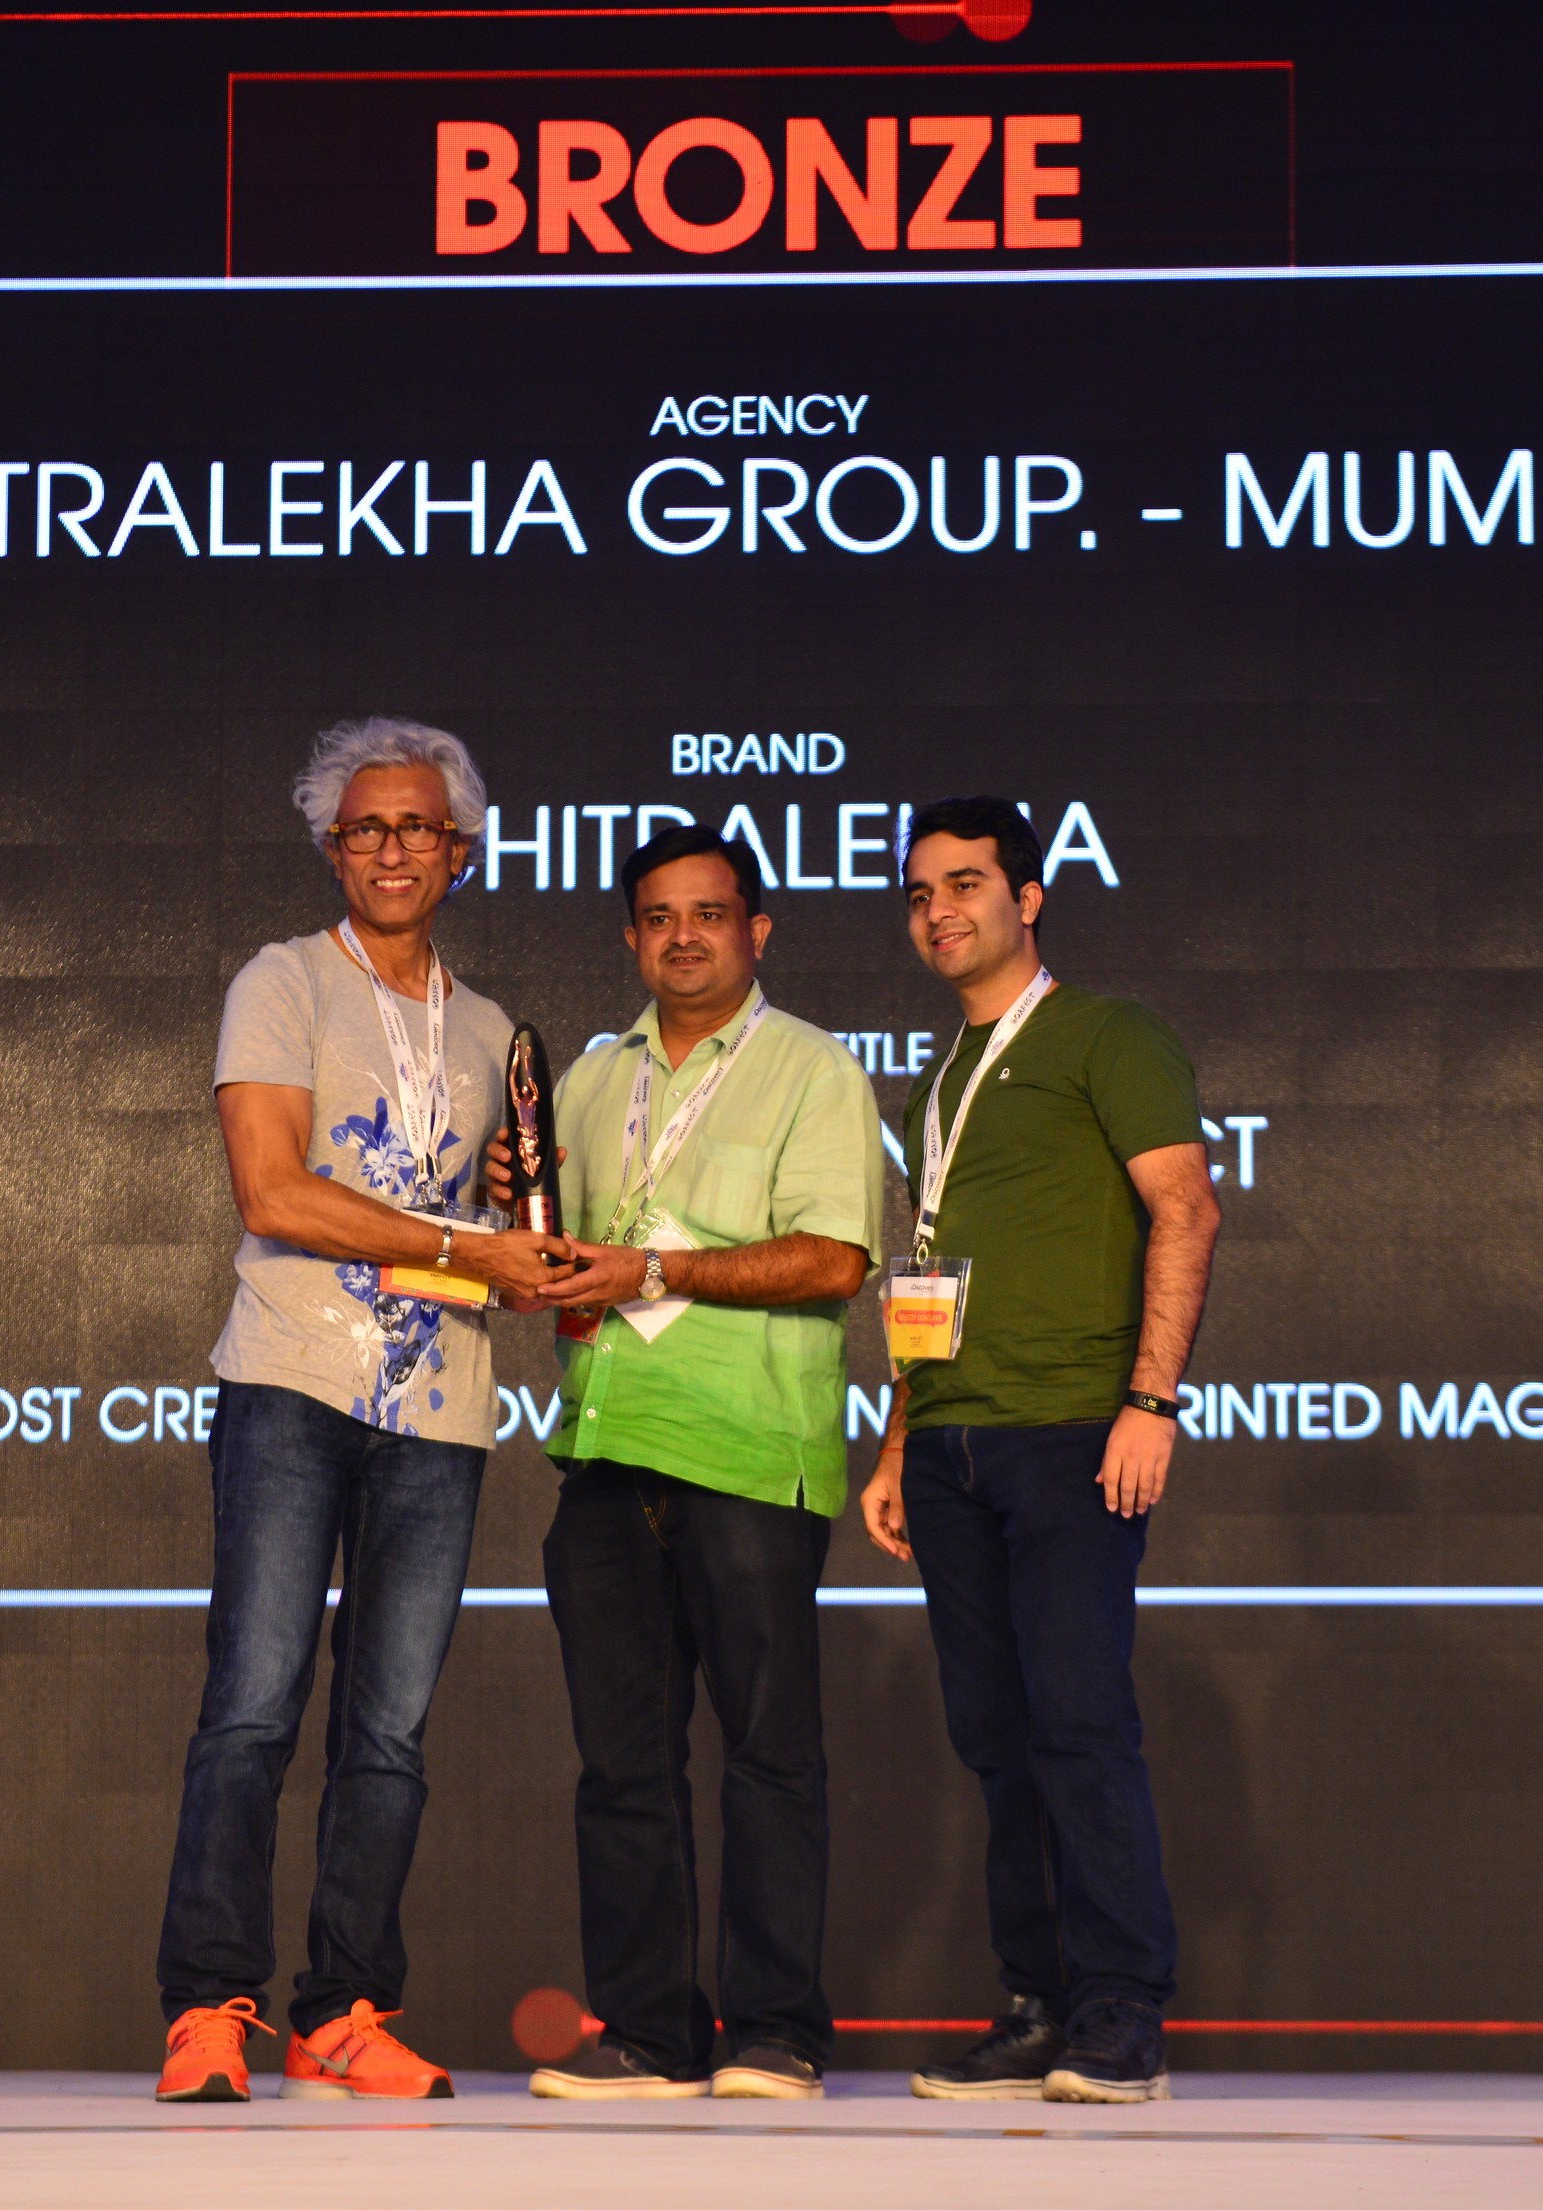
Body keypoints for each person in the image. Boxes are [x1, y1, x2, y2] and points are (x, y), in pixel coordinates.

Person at [153, 718, 571, 2105]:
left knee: (388, 1733)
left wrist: (522, 1234)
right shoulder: (281, 982)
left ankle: (341, 2009)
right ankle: (207, 2005)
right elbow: (271, 1192)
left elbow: (508, 1239)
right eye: (365, 828)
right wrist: (466, 1244)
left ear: (461, 852)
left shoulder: (494, 1032)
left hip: (439, 1409)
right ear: (334, 850)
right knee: (251, 1708)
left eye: (417, 828)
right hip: (291, 1380)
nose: (392, 849)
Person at [489, 824, 884, 2101]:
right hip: (606, 1448)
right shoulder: (589, 1081)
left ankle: (775, 2030)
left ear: (755, 930)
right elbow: (555, 1264)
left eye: (709, 913)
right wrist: (515, 1206)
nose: (683, 936)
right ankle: (651, 2034)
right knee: (621, 1765)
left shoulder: (811, 1068)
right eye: (658, 916)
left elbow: (831, 1258)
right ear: (629, 936)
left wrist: (653, 1267)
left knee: (768, 1754)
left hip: (748, 1450)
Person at [859, 796, 1221, 2105]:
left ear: (1028, 896)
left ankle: (1121, 2011)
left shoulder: (1106, 1034)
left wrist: (1150, 1400)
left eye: (964, 883)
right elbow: (928, 1274)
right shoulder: (935, 1080)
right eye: (918, 892)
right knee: (995, 1737)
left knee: (1076, 1722)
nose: (937, 910)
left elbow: (1185, 1208)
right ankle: (1034, 2003)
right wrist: (897, 1442)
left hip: (1072, 1432)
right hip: (950, 1446)